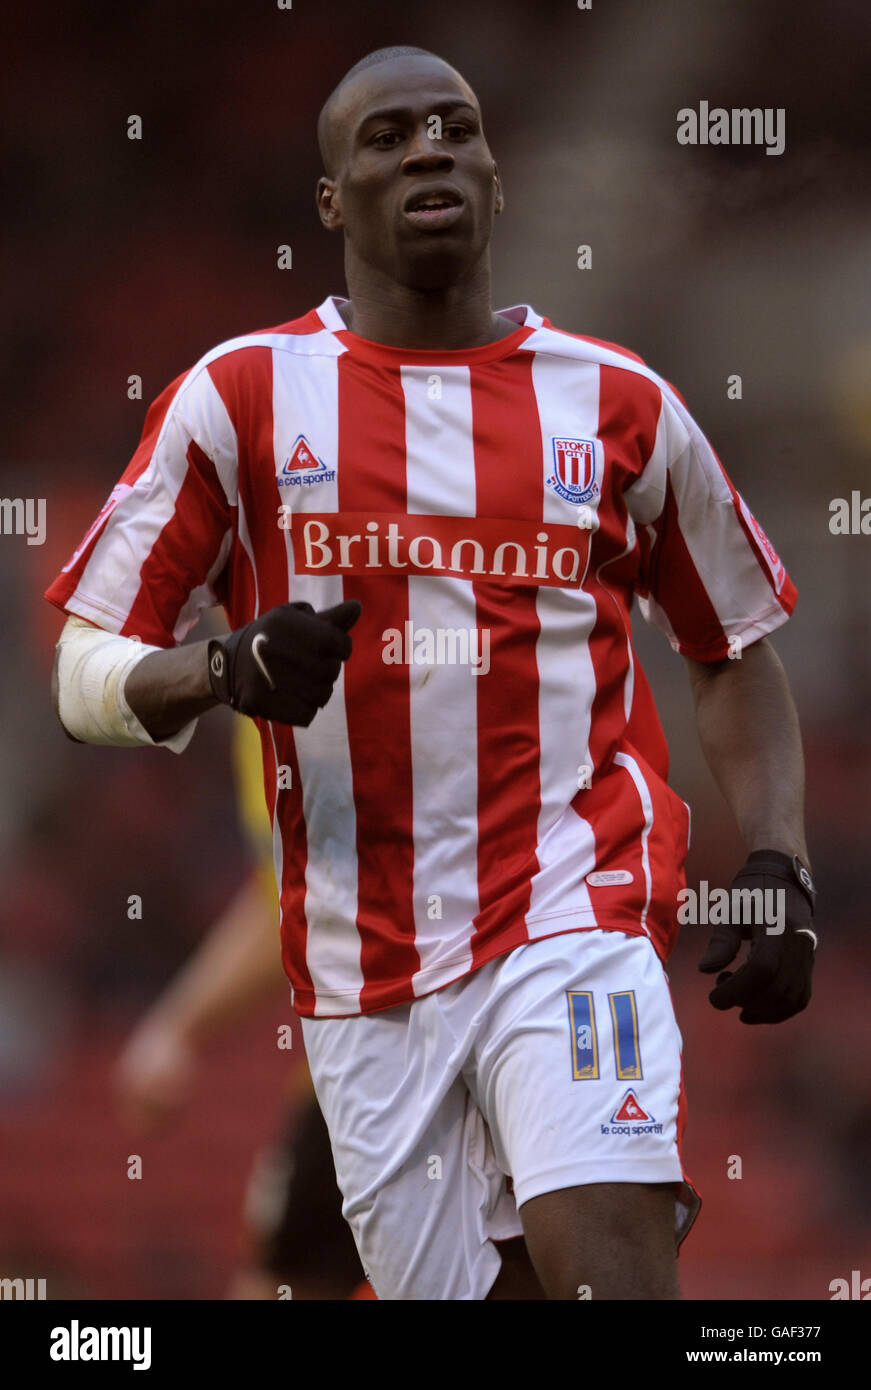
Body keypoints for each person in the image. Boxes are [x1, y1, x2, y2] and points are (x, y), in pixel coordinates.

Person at [46, 45, 817, 1300]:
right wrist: (218, 670)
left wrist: (779, 858)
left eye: (455, 128)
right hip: (365, 974)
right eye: (387, 136)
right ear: (330, 199)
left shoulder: (619, 403)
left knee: (607, 1267)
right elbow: (85, 671)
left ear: (498, 180)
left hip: (576, 909)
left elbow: (731, 645)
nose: (428, 151)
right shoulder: (234, 399)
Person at [114, 715, 369, 1301]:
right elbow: (283, 895)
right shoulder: (252, 705)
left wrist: (176, 1028)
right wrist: (177, 1026)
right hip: (382, 1053)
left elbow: (301, 898)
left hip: (388, 1050)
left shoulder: (292, 690)